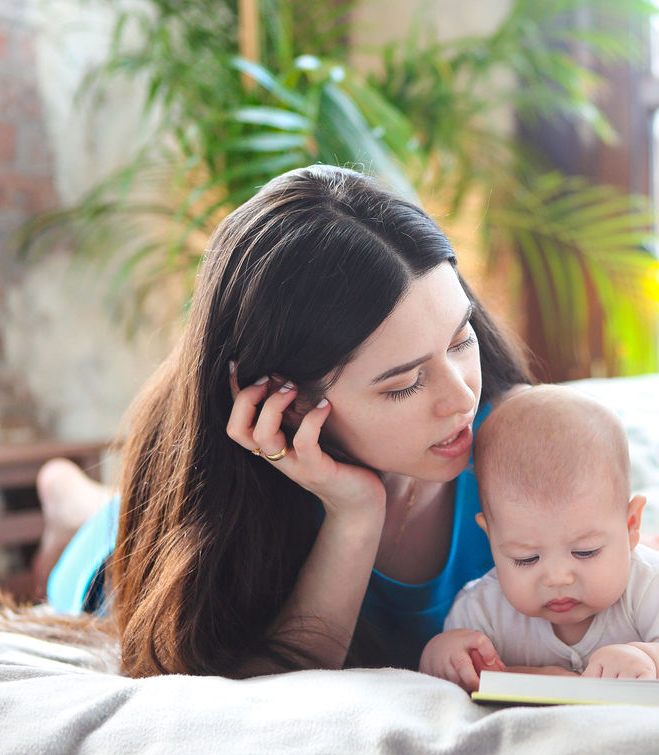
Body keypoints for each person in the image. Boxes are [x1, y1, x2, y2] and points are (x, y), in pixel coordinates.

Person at [40, 164, 535, 677]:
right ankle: (70, 502)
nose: (462, 400)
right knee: (98, 560)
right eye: (402, 385)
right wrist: (354, 515)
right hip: (126, 541)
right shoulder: (230, 508)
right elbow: (269, 701)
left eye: (460, 340)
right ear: (288, 399)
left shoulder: (523, 444)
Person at [419, 385, 659, 692]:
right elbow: (452, 684)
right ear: (492, 539)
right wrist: (441, 654)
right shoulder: (481, 611)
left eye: (585, 552)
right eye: (526, 558)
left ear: (631, 525)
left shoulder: (654, 584)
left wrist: (651, 659)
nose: (557, 578)